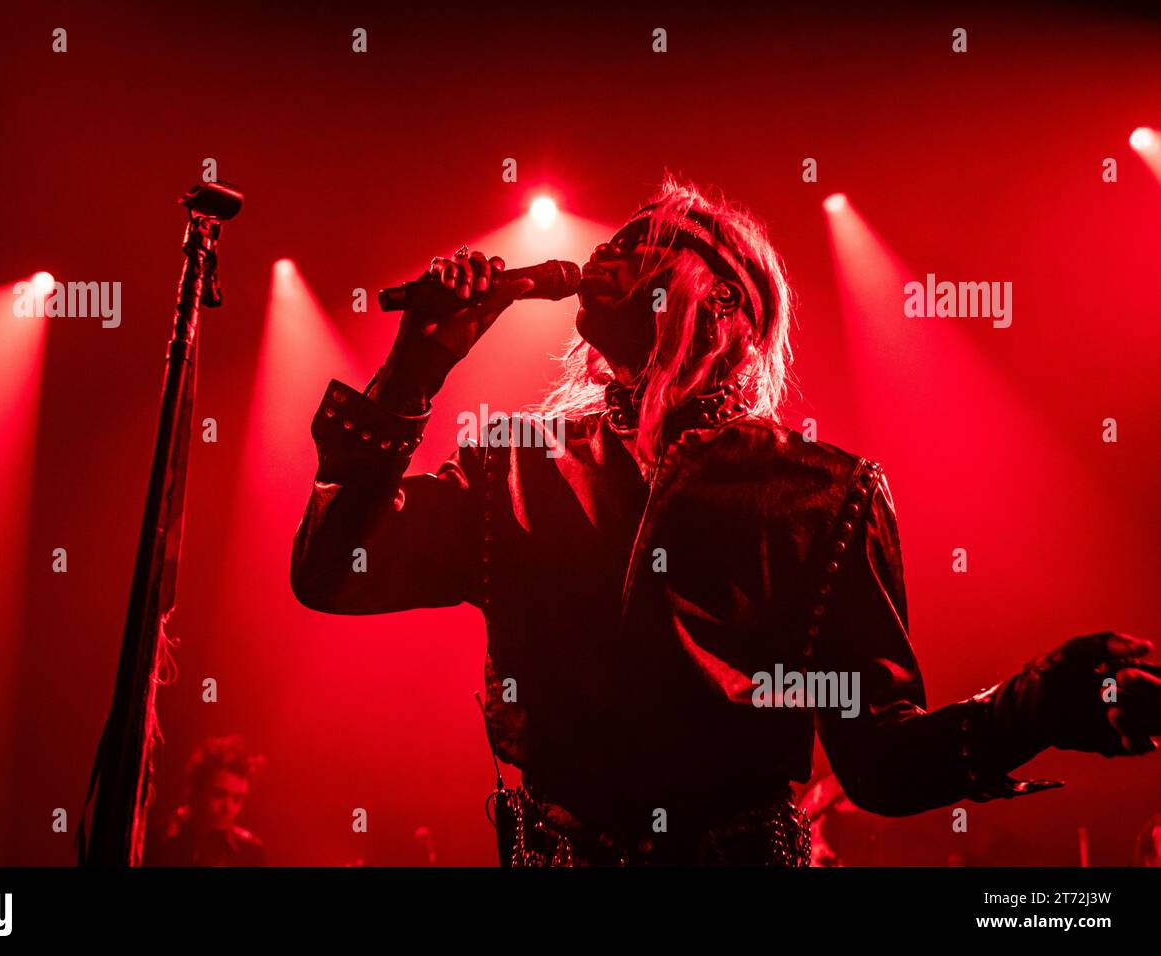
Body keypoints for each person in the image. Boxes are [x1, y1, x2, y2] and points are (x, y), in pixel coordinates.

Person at [291, 176, 1161, 866]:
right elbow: (333, 572)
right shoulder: (515, 466)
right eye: (624, 231)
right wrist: (415, 368)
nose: (617, 248)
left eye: (657, 244)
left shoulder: (822, 492)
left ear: (725, 312)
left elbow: (882, 763)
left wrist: (1033, 706)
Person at [143, 736, 266, 867]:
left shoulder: (250, 851)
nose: (228, 808)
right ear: (196, 790)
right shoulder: (158, 840)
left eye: (237, 799)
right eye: (219, 795)